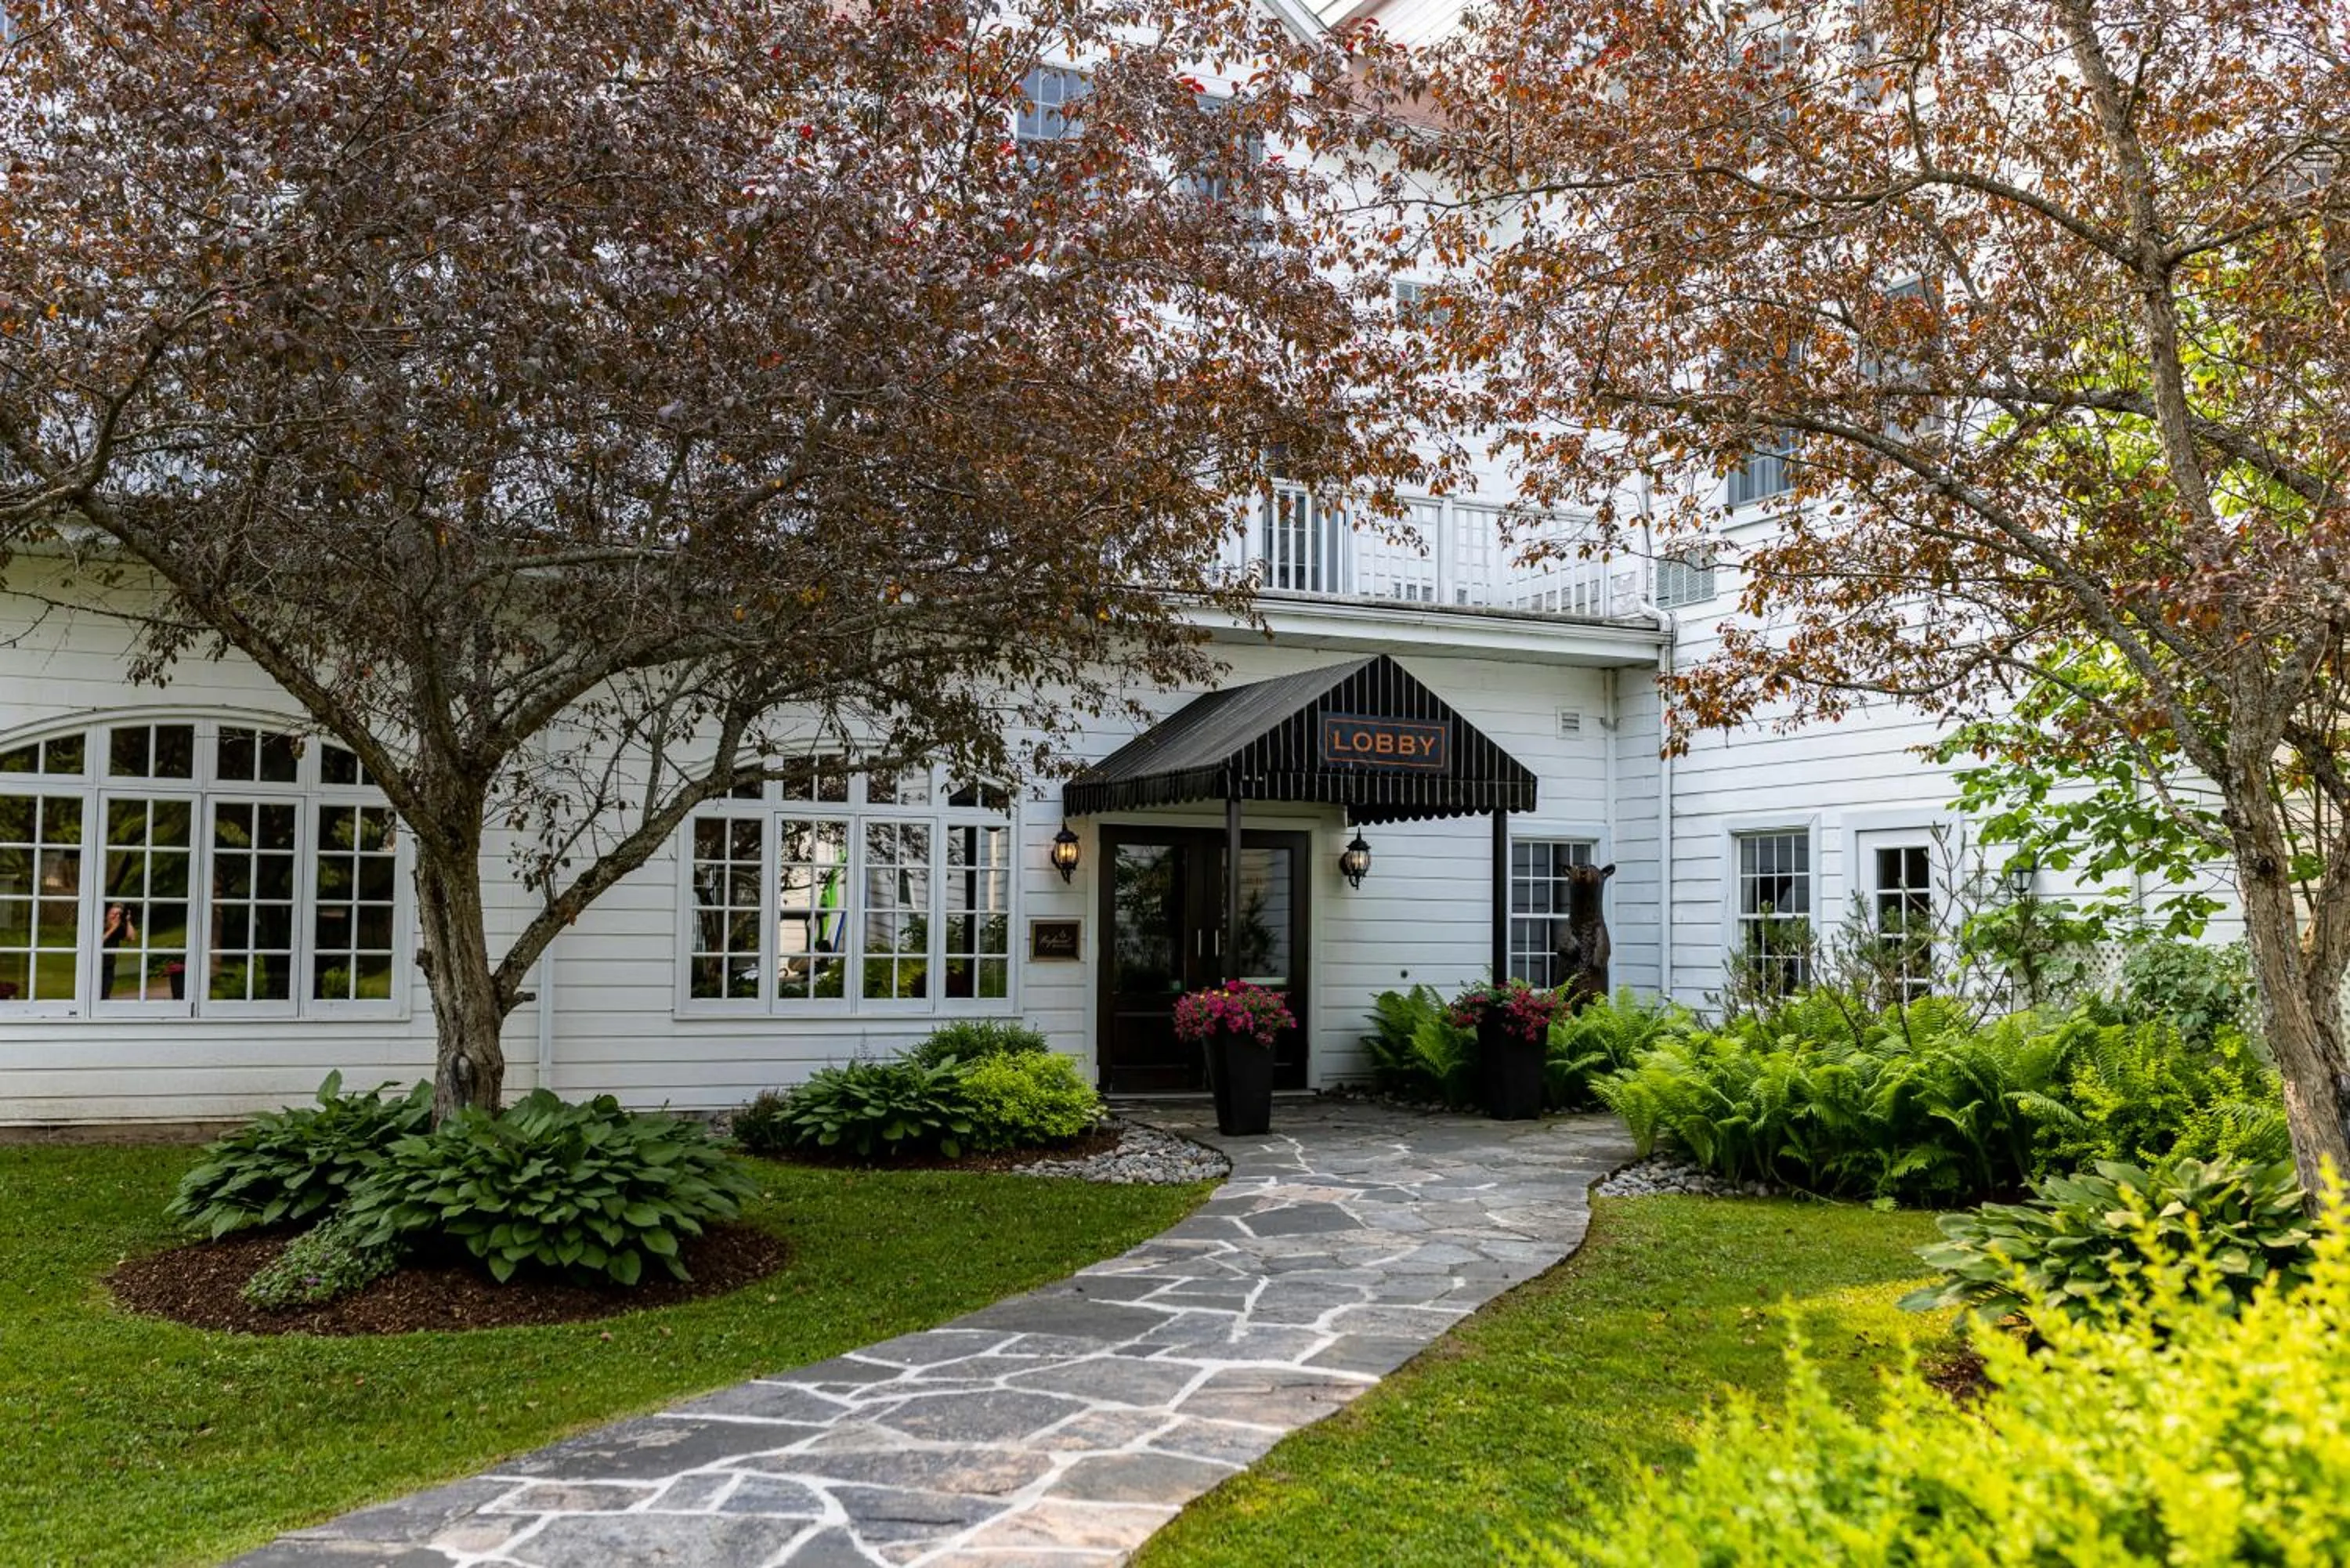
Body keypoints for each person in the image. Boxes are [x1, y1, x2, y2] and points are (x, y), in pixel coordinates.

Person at [99, 901, 137, 999]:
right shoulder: (100, 924)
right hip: (96, 965)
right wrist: (113, 928)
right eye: (113, 913)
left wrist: (128, 921)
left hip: (109, 965)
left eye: (118, 914)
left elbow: (131, 938)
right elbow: (98, 942)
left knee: (105, 995)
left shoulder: (118, 926)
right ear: (108, 914)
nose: (115, 916)